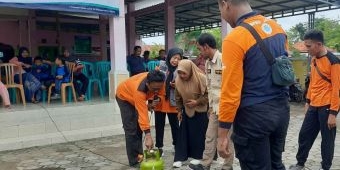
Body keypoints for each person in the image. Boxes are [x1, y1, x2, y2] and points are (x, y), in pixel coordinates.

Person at [217, 0, 290, 169]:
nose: (222, 14)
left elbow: (230, 92)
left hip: (253, 118)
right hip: (281, 111)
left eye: (219, 8)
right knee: (276, 164)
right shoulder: (277, 27)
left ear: (225, 3)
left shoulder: (235, 38)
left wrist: (222, 134)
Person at [289, 30, 340, 170]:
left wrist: (333, 113)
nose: (307, 49)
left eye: (309, 46)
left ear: (319, 44)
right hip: (313, 106)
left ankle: (325, 167)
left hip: (327, 107)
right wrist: (308, 102)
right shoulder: (313, 60)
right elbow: (313, 83)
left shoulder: (334, 62)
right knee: (304, 135)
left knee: (327, 140)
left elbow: (337, 89)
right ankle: (300, 163)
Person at [189, 33, 234, 170]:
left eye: (200, 49)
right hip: (214, 107)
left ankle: (227, 166)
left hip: (226, 108)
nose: (200, 53)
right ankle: (205, 163)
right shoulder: (208, 62)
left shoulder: (223, 59)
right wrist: (210, 105)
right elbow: (209, 86)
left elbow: (230, 85)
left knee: (227, 138)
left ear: (206, 47)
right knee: (209, 136)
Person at [116, 70, 165, 167]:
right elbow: (143, 114)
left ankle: (140, 155)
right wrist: (148, 136)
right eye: (154, 88)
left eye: (158, 88)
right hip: (124, 96)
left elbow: (161, 94)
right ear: (147, 84)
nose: (157, 90)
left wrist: (155, 100)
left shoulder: (160, 82)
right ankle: (134, 161)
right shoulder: (140, 90)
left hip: (136, 95)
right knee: (131, 129)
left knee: (139, 128)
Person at [173, 59, 209, 168]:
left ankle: (198, 157)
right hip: (186, 111)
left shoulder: (201, 78)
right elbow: (178, 97)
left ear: (190, 70)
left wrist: (197, 102)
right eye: (179, 72)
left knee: (198, 135)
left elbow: (209, 95)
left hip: (200, 111)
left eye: (184, 73)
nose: (182, 75)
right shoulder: (178, 80)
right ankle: (180, 158)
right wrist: (179, 110)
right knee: (183, 135)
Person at [153, 47, 183, 156]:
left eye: (178, 59)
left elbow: (183, 83)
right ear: (169, 56)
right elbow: (153, 79)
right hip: (160, 100)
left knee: (175, 125)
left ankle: (177, 146)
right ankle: (159, 147)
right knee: (159, 125)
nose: (175, 60)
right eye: (174, 57)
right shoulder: (161, 66)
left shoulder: (180, 69)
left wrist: (177, 85)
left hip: (172, 100)